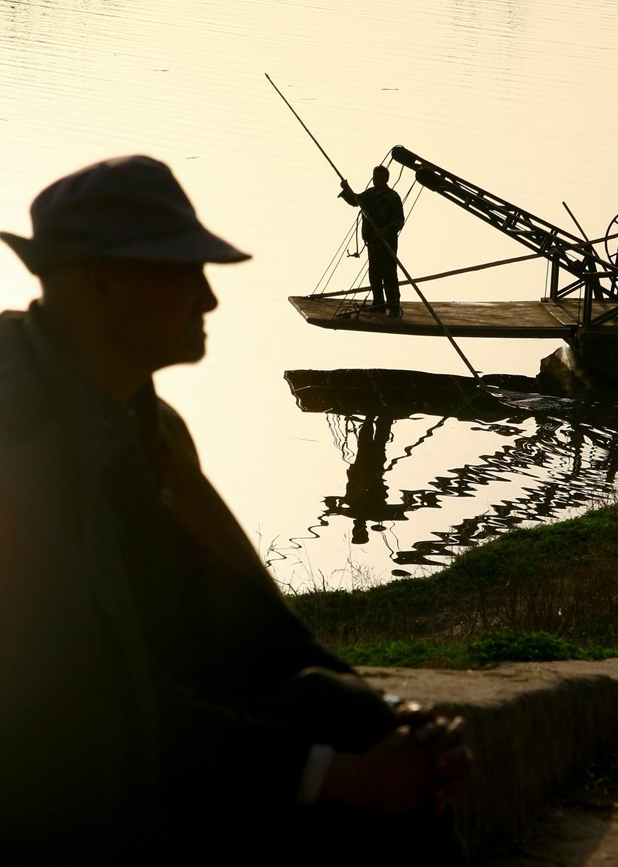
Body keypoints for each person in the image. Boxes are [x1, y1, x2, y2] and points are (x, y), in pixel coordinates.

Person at [0, 155, 469, 863]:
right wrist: (340, 777)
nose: (209, 300)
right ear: (103, 284)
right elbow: (90, 703)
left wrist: (395, 721)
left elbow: (249, 627)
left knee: (342, 712)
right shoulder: (22, 444)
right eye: (183, 273)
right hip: (60, 791)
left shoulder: (143, 426)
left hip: (146, 749)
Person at [339, 165, 405, 317]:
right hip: (373, 242)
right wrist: (346, 190)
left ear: (386, 179)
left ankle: (394, 306)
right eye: (374, 177)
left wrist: (386, 230)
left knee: (388, 273)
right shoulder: (370, 193)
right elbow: (356, 201)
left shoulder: (392, 197)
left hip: (386, 242)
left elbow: (399, 221)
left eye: (379, 178)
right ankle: (378, 304)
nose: (376, 180)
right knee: (374, 273)